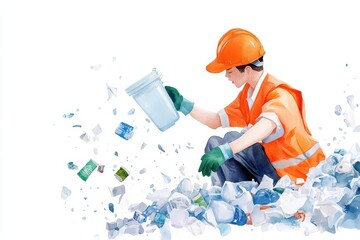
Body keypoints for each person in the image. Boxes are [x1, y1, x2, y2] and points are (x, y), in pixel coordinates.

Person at [165, 28, 325, 187]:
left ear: (247, 69)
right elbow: (215, 121)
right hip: (274, 173)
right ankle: (238, 197)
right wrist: (183, 104)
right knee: (215, 143)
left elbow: (265, 126)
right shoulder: (249, 95)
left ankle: (244, 199)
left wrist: (227, 151)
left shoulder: (280, 94)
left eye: (229, 71)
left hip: (298, 178)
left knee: (230, 140)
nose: (227, 76)